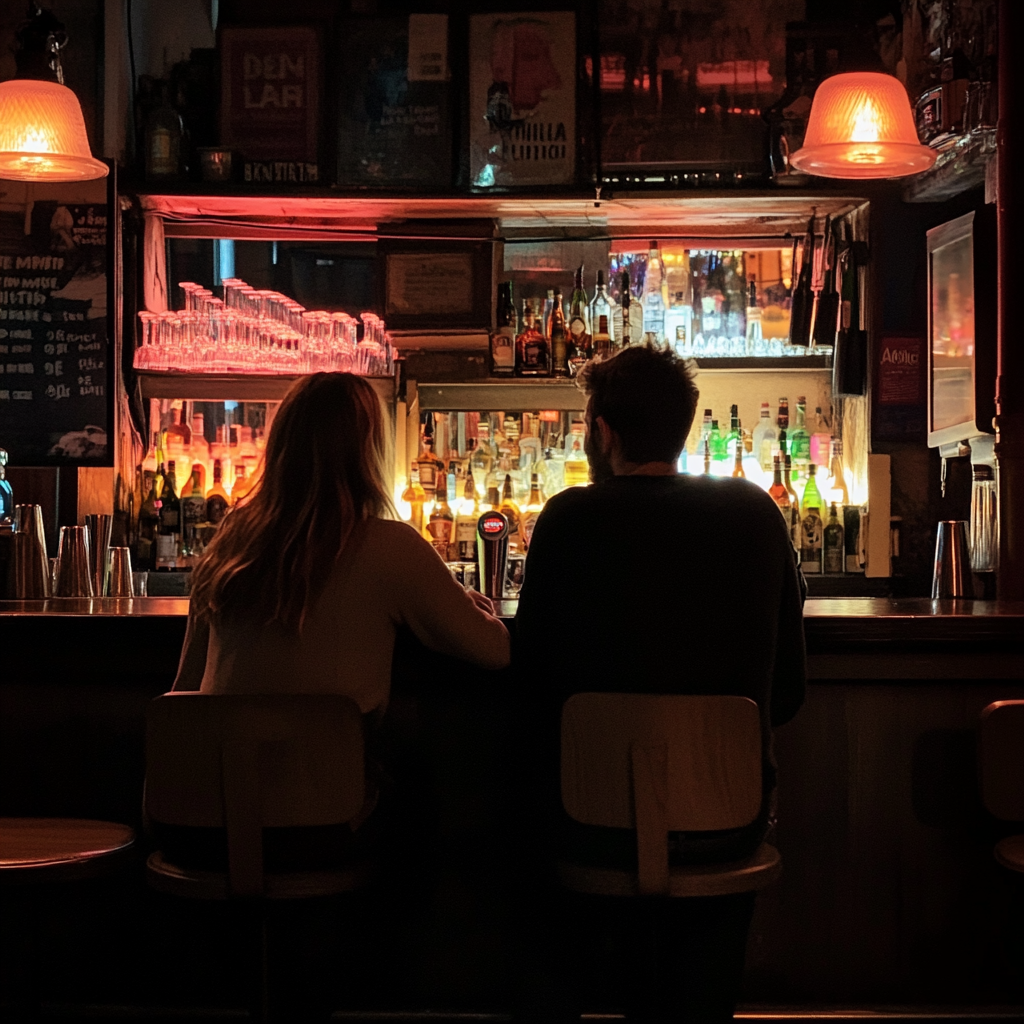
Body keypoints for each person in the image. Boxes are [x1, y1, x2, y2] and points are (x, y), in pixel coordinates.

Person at [513, 344, 805, 1022]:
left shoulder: (567, 519)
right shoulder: (756, 516)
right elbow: (786, 696)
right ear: (686, 428)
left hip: (586, 827)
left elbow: (530, 687)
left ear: (603, 431)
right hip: (725, 825)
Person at [169, 372, 510, 865]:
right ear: (369, 453)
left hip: (203, 821)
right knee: (440, 816)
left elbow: (183, 690)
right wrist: (470, 603)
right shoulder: (392, 547)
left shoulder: (231, 542)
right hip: (326, 827)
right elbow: (495, 651)